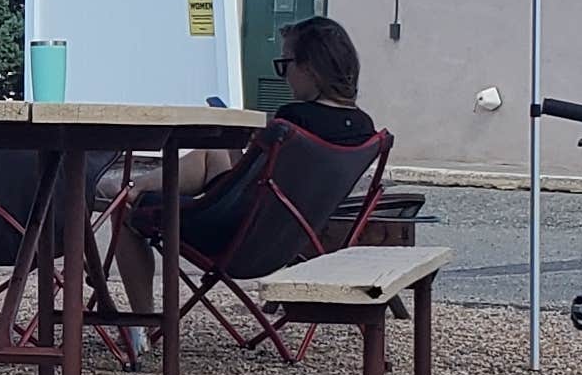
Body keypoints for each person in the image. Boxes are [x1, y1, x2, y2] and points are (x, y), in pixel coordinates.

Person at [105, 16, 379, 309]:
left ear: (309, 68)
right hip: (287, 239)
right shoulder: (364, 129)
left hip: (233, 237)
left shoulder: (294, 122)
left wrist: (242, 146)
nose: (283, 76)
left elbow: (246, 184)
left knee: (126, 211)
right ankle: (129, 187)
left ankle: (142, 324)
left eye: (285, 64)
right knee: (211, 155)